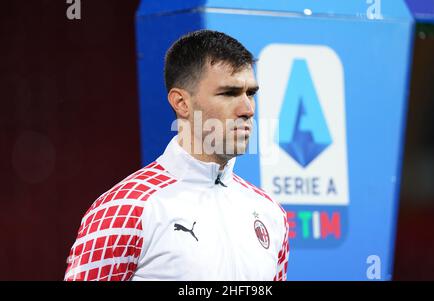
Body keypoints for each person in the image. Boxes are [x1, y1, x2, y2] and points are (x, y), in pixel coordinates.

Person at [64, 30, 289, 281]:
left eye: (251, 93)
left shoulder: (270, 213)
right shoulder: (127, 207)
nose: (247, 109)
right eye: (228, 93)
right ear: (181, 102)